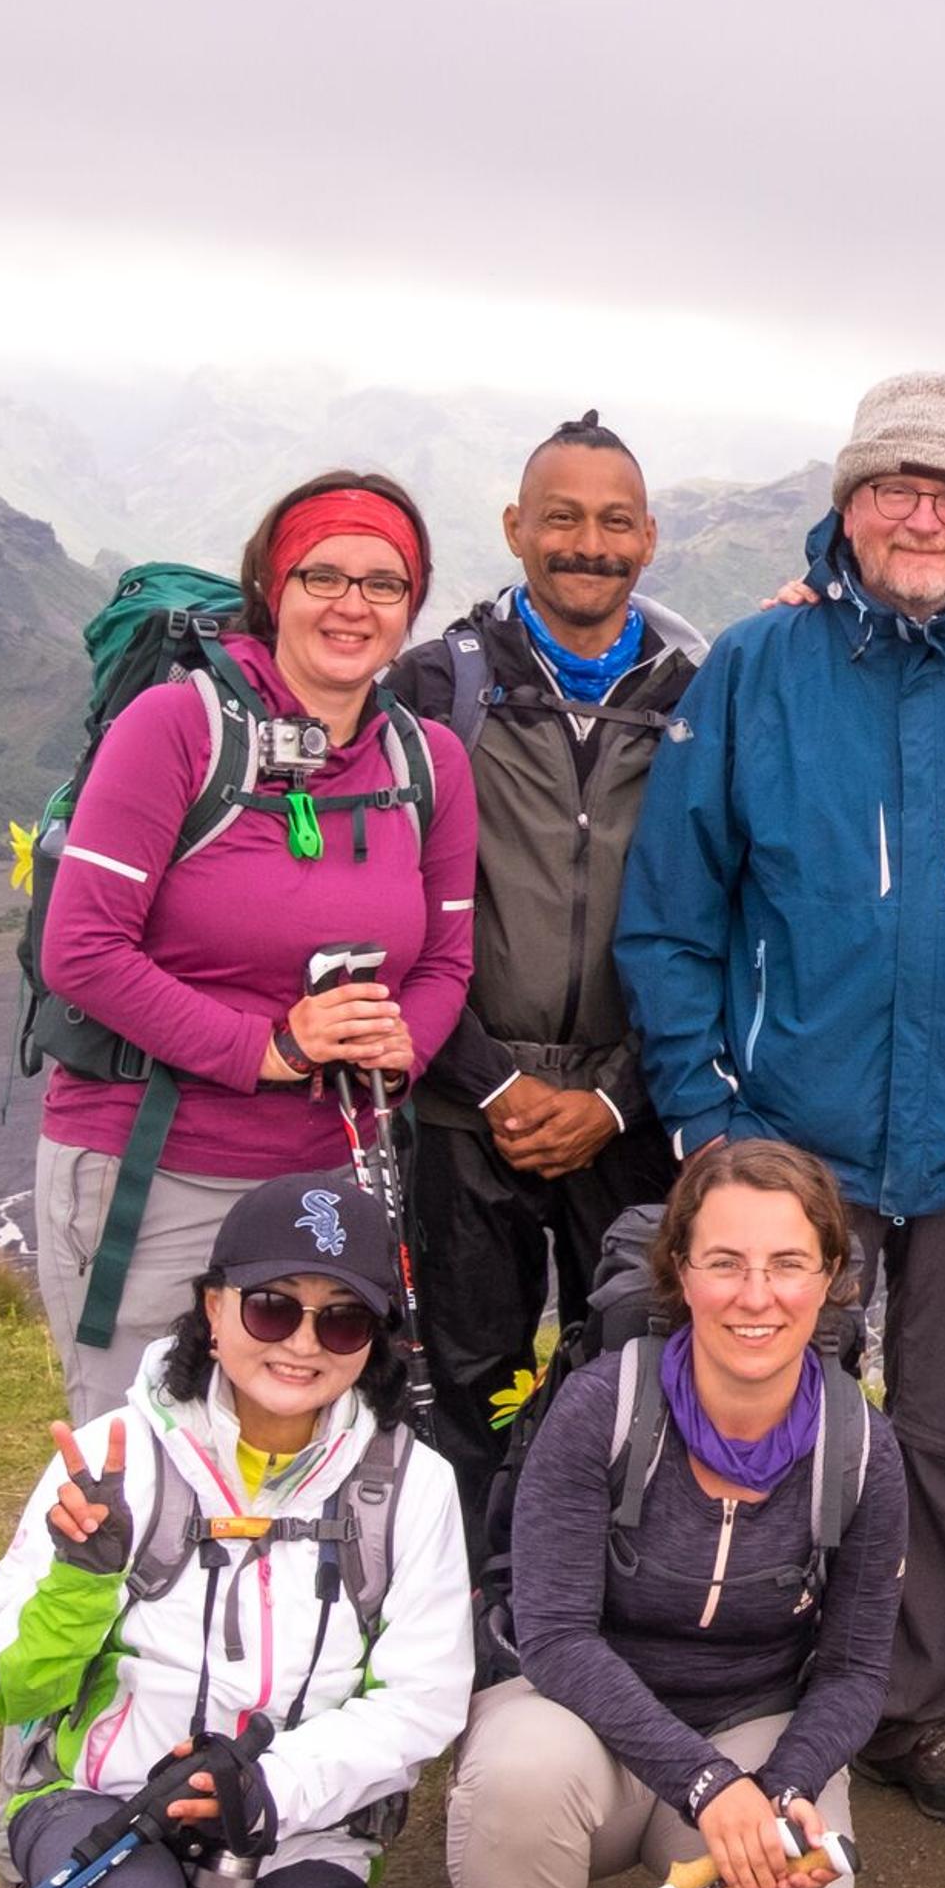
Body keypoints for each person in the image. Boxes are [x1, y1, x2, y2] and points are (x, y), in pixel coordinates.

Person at [616, 371, 945, 1826]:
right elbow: (672, 916)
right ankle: (750, 1690)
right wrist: (709, 1120)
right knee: (753, 1414)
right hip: (790, 1139)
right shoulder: (756, 669)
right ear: (846, 505)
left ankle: (921, 1702)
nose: (920, 513)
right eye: (890, 486)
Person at [0, 1171, 474, 1888]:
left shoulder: (408, 1485)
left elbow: (426, 1700)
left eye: (344, 1318)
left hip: (292, 1836)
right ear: (214, 1304)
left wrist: (267, 1789)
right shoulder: (112, 1458)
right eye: (274, 1306)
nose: (303, 1343)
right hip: (105, 1799)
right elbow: (2, 1682)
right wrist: (78, 1579)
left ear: (378, 1338)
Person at [443, 1139, 901, 1888]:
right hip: (584, 1723)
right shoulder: (602, 1407)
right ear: (680, 1274)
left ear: (828, 1279)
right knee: (516, 1781)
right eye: (725, 1262)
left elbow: (855, 1672)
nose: (757, 1295)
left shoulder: (865, 1449)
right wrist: (706, 1784)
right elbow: (555, 1634)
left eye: (789, 1264)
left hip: (751, 1726)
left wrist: (778, 1790)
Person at [30, 472, 476, 1422]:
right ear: (273, 588)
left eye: (384, 584)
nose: (352, 606)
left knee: (294, 1457)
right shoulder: (176, 726)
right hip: (153, 1167)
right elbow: (81, 947)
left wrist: (410, 1043)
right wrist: (269, 1049)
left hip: (325, 1180)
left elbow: (444, 959)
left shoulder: (430, 761)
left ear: (412, 603)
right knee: (139, 1456)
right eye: (324, 575)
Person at [382, 412, 702, 1522]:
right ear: (515, 527)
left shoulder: (696, 702)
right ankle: (469, 1618)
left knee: (636, 1366)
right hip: (467, 1108)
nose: (588, 543)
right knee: (465, 1381)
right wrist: (495, 1082)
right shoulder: (435, 690)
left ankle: (604, 1600)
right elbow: (391, 920)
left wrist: (616, 1099)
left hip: (630, 1113)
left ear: (650, 537)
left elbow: (727, 914)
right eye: (560, 518)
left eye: (615, 522)